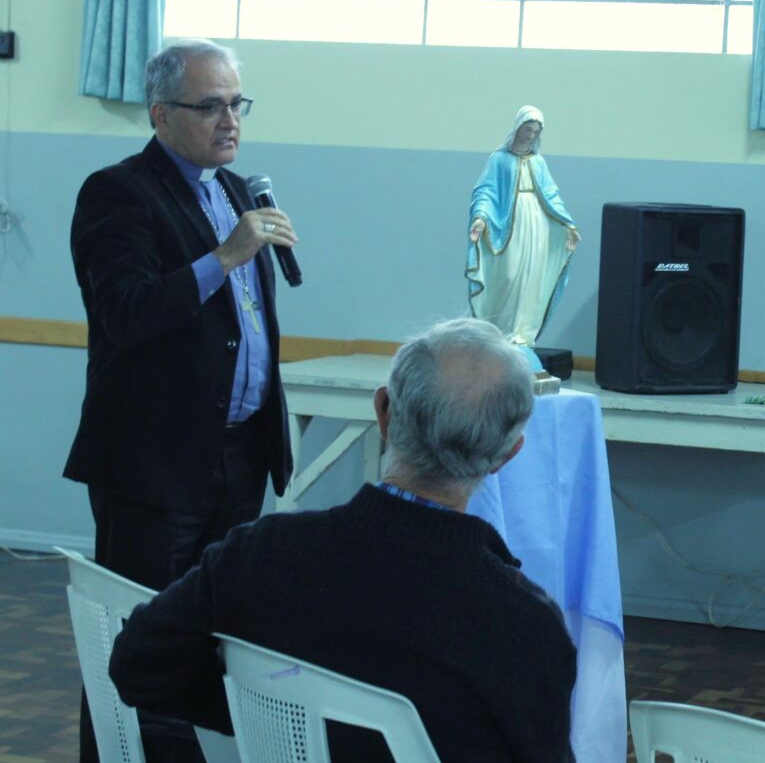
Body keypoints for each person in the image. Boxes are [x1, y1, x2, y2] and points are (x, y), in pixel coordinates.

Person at [109, 318, 578, 762]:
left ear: (384, 413)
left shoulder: (261, 552)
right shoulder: (525, 624)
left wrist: (269, 717)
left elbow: (137, 663)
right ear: (506, 454)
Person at [66, 39, 297, 759]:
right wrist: (225, 257)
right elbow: (127, 312)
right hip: (155, 466)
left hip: (236, 458)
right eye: (211, 106)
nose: (230, 120)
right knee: (136, 635)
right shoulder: (119, 192)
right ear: (162, 116)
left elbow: (243, 327)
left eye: (238, 103)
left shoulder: (233, 191)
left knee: (210, 635)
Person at [466, 105, 580, 348]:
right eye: (527, 129)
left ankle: (522, 336)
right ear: (518, 128)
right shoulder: (499, 159)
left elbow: (552, 195)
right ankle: (500, 333)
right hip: (509, 225)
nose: (530, 135)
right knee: (508, 275)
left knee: (531, 280)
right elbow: (486, 190)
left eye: (535, 132)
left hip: (538, 224)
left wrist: (568, 225)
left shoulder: (538, 162)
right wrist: (480, 217)